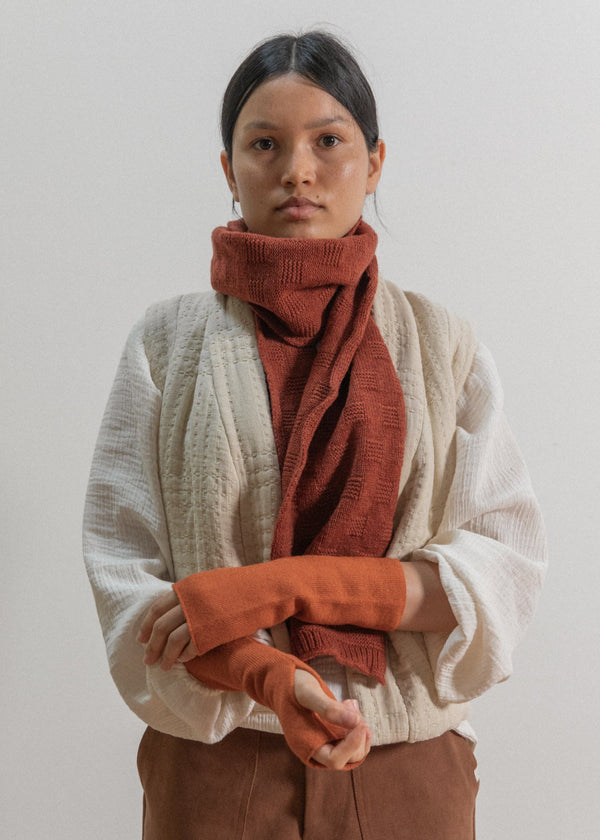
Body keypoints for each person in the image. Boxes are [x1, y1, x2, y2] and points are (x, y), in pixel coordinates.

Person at [83, 30, 547, 839]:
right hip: (222, 770)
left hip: (409, 775)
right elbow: (137, 594)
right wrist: (267, 673)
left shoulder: (444, 347)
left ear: (374, 162)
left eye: (328, 141)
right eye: (264, 144)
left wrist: (270, 590)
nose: (297, 170)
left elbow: (492, 581)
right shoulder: (165, 344)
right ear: (229, 170)